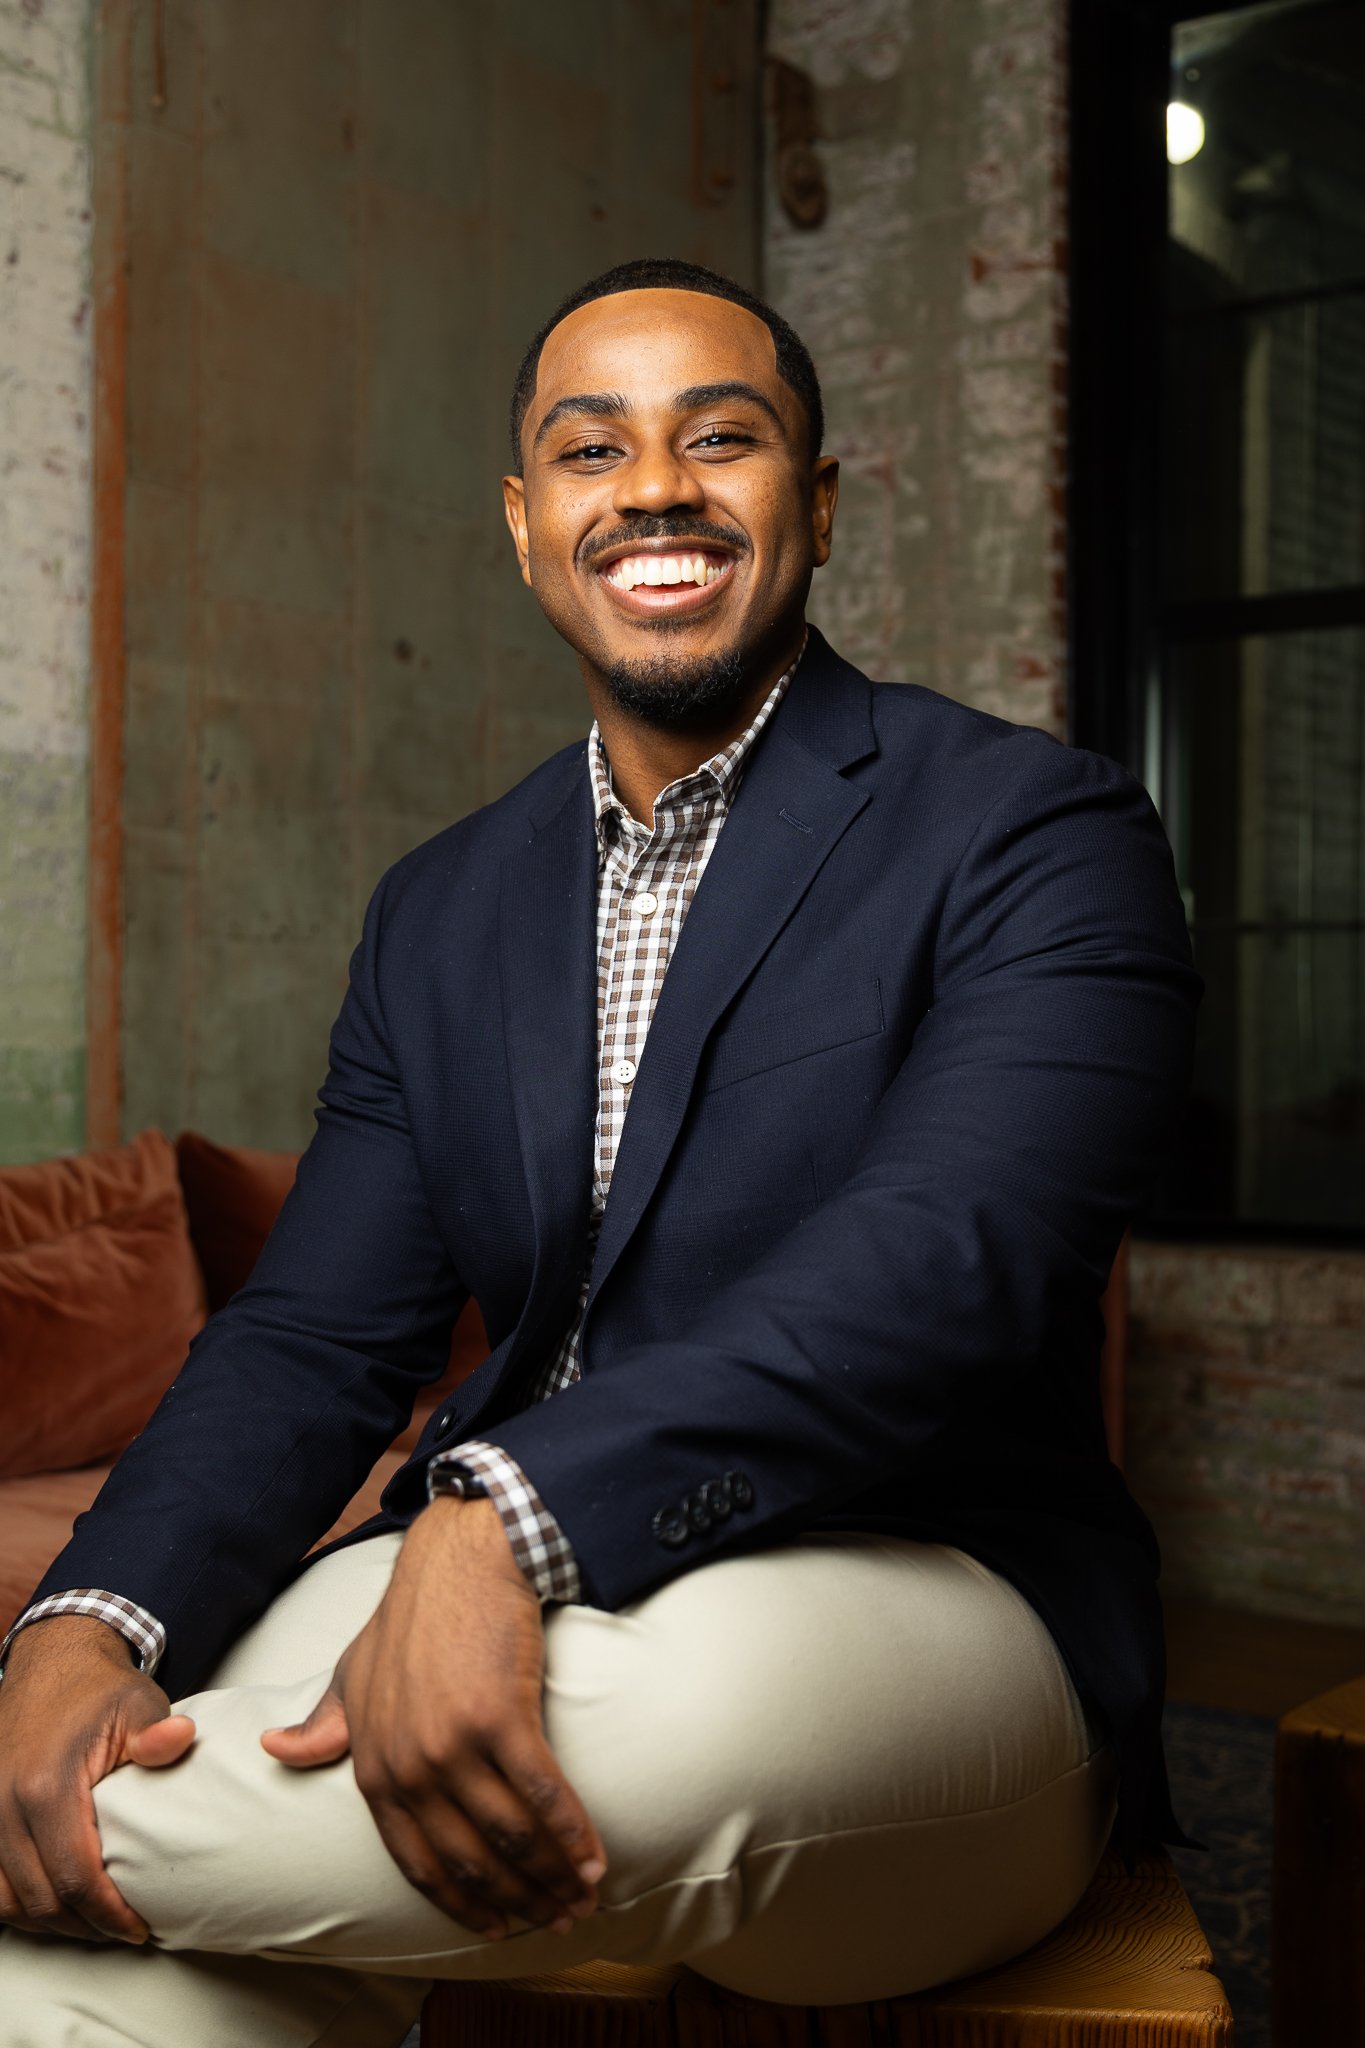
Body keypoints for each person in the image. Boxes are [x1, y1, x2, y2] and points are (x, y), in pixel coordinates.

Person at [0, 258, 1199, 2047]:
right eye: (591, 449)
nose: (653, 487)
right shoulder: (440, 912)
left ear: (816, 500)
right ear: (524, 522)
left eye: (721, 438)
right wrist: (78, 1629)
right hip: (463, 1585)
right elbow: (316, 1339)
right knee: (87, 1973)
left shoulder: (1034, 832)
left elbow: (954, 1254)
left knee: (662, 1727)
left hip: (910, 1599)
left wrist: (497, 1520)